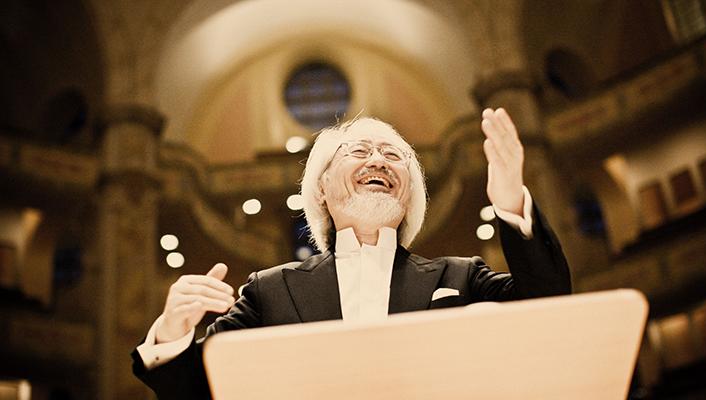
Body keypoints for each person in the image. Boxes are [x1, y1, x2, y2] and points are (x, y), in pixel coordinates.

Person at [131, 108, 571, 399]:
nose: (378, 161)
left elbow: (548, 306)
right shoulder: (270, 291)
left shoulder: (461, 277)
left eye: (393, 156)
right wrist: (171, 333)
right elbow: (199, 387)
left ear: (410, 194)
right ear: (321, 188)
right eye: (359, 151)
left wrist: (511, 202)